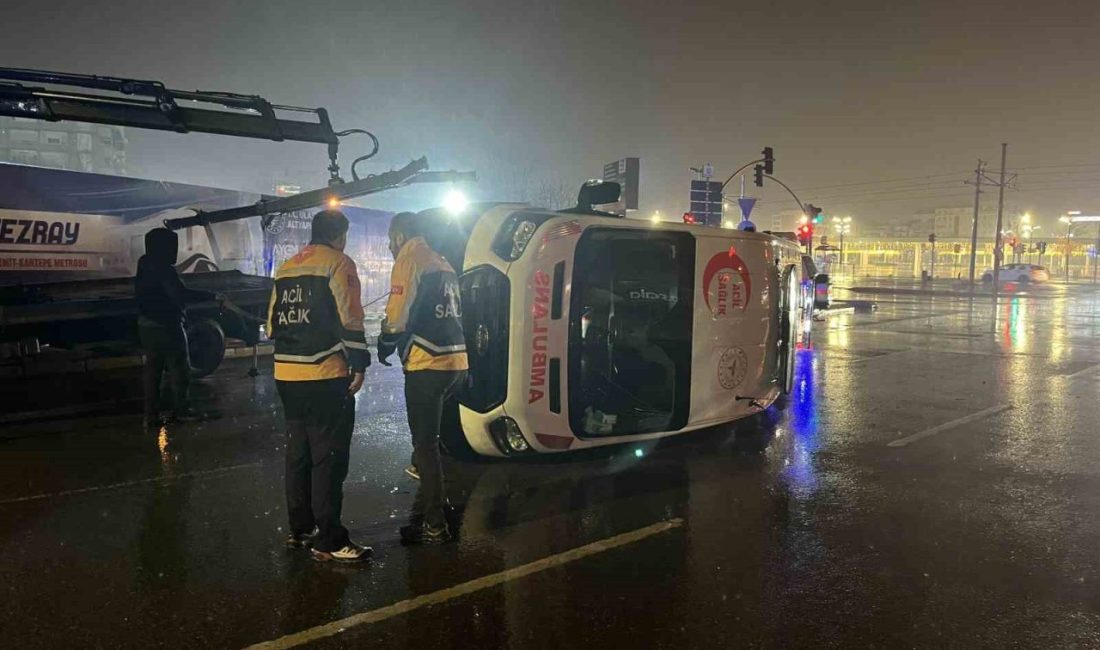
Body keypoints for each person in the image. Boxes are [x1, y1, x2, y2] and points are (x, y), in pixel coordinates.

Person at [267, 209, 372, 563]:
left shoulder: (286, 267)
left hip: (286, 375)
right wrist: (360, 363)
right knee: (328, 458)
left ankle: (301, 529)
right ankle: (330, 539)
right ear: (340, 234)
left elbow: (271, 325)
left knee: (298, 454)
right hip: (324, 374)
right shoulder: (339, 263)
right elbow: (350, 317)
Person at [378, 212, 468, 545]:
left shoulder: (409, 259)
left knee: (426, 445)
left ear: (399, 235)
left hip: (426, 363)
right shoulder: (442, 261)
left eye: (390, 238)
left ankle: (435, 523)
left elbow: (397, 316)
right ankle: (429, 489)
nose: (389, 245)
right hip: (456, 361)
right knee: (429, 441)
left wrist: (384, 342)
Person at [135, 228, 219, 430]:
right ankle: (182, 411)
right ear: (163, 247)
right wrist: (211, 295)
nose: (175, 250)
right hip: (168, 326)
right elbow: (179, 294)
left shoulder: (144, 263)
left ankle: (151, 416)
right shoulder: (165, 269)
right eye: (172, 246)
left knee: (153, 372)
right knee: (180, 370)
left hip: (146, 325)